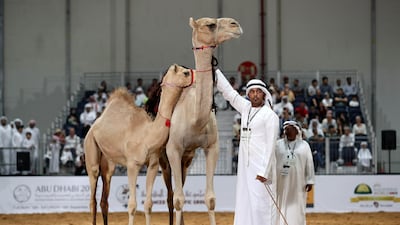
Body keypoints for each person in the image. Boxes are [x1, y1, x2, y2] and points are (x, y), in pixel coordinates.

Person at [216, 69, 279, 225]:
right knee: (245, 203)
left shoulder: (270, 115)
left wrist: (265, 171)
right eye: (252, 91)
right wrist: (215, 72)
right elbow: (230, 94)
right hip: (245, 167)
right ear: (248, 94)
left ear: (264, 94)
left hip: (261, 169)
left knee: (261, 205)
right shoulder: (245, 108)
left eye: (258, 92)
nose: (255, 94)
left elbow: (271, 145)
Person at [275, 121, 315, 225]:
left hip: (299, 182)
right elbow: (271, 161)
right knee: (281, 203)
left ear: (296, 130)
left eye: (288, 128)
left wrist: (310, 180)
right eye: (285, 129)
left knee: (298, 204)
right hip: (281, 180)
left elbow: (309, 163)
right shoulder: (278, 145)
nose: (286, 131)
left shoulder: (304, 145)